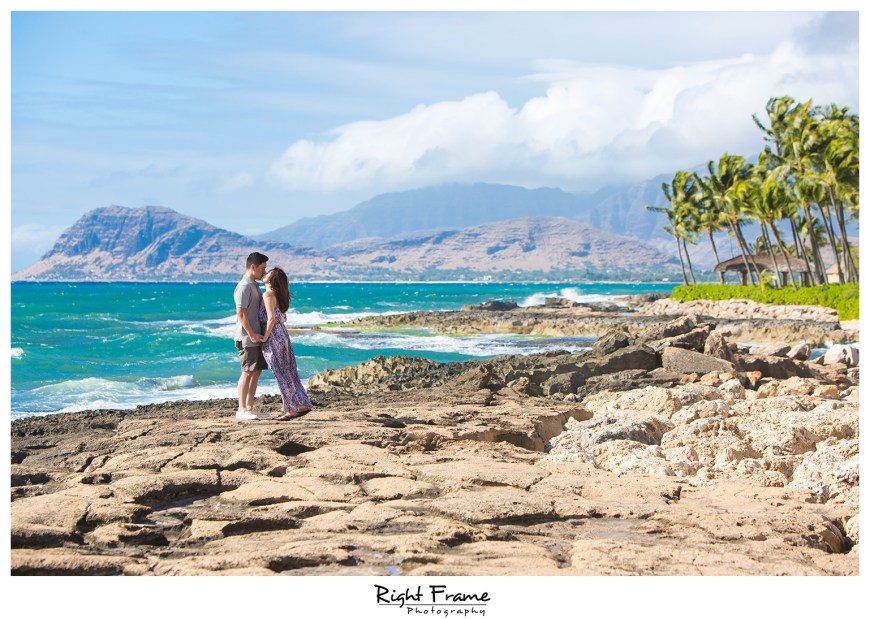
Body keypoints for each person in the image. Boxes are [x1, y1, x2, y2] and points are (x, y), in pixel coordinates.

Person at [260, 266, 313, 420]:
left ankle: (291, 409)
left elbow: (271, 318)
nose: (265, 272)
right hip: (283, 334)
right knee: (289, 372)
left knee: (281, 374)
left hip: (274, 336)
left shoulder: (268, 294)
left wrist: (264, 337)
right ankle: (300, 404)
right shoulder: (278, 294)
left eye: (268, 272)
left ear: (271, 279)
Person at [234, 252, 270, 420]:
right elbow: (241, 313)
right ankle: (241, 410)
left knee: (256, 372)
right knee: (247, 372)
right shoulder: (244, 286)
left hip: (256, 337)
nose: (265, 271)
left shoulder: (254, 285)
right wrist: (252, 334)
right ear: (253, 267)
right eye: (263, 268)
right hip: (247, 338)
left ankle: (249, 407)